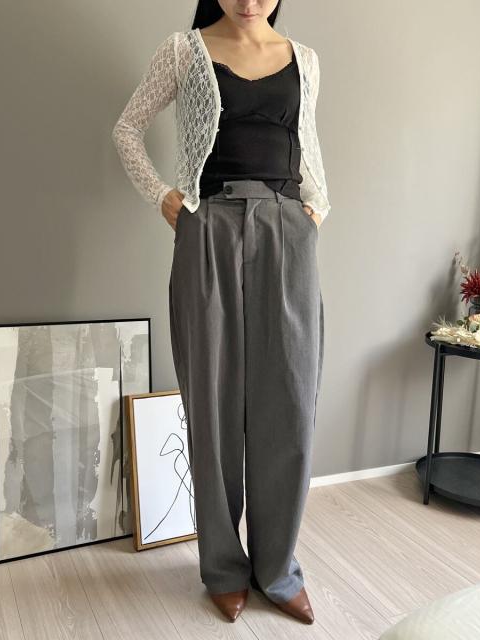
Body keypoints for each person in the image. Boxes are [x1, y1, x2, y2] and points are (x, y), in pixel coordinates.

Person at [112, 0, 330, 625]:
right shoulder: (183, 51)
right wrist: (166, 198)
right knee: (212, 401)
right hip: (209, 228)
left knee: (290, 400)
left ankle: (277, 568)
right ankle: (224, 569)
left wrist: (316, 209)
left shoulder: (305, 60)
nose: (249, 0)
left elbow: (308, 144)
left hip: (287, 230)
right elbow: (127, 129)